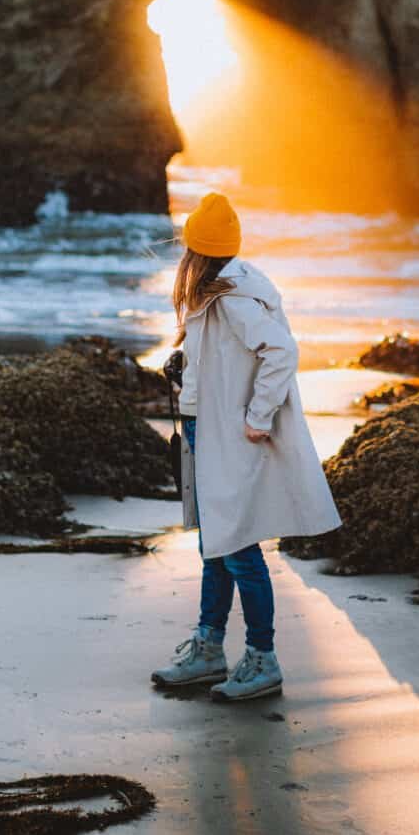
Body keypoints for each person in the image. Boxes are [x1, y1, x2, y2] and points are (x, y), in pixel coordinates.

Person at [151, 190, 342, 701]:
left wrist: (259, 416)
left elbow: (281, 351)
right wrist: (184, 367)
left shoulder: (233, 296)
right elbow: (220, 356)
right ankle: (210, 648)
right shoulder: (222, 289)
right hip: (203, 428)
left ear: (195, 251)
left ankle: (263, 658)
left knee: (237, 546)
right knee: (216, 545)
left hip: (227, 436)